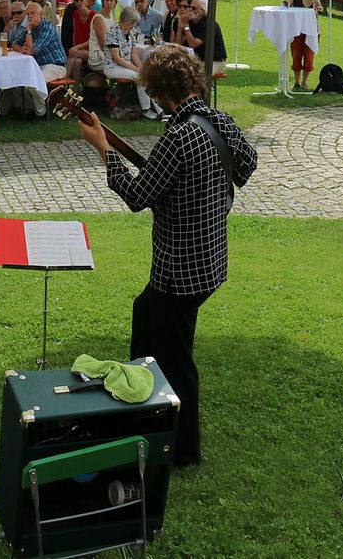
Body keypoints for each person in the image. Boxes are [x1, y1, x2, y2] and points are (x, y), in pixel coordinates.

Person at [78, 46, 257, 466]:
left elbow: (137, 195)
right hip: (210, 261)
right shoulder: (218, 120)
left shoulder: (177, 137)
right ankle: (139, 406)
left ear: (159, 92)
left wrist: (104, 149)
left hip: (179, 272)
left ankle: (184, 451)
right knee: (145, 316)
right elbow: (247, 166)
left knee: (176, 361)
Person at [104, 6, 158, 119]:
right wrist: (136, 69)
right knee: (139, 76)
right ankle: (146, 109)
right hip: (112, 67)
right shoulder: (112, 33)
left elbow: (133, 55)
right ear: (124, 20)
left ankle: (159, 108)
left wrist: (142, 68)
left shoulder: (131, 32)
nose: (133, 25)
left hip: (125, 65)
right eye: (132, 22)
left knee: (145, 74)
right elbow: (116, 58)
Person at [17, 2, 67, 117]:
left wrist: (29, 31)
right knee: (18, 80)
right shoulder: (31, 27)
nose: (30, 16)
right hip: (38, 66)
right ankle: (31, 108)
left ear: (41, 14)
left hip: (56, 66)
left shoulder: (47, 28)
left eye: (33, 13)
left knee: (34, 82)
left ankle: (41, 112)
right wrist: (22, 49)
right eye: (28, 14)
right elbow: (14, 44)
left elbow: (32, 51)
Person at [282, 0, 322, 90]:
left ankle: (304, 82)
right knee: (296, 54)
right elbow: (286, 3)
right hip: (296, 26)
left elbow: (307, 4)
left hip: (310, 27)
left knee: (308, 54)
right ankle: (297, 82)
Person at [179, 0, 227, 76]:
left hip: (215, 62)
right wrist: (180, 25)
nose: (190, 10)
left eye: (193, 8)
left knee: (197, 74)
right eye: (189, 7)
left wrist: (185, 25)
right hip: (197, 60)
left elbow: (193, 44)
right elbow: (178, 42)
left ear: (202, 12)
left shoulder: (208, 23)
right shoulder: (191, 22)